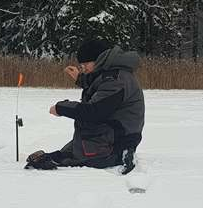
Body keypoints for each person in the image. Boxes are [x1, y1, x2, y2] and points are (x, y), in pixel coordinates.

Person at [25, 38, 145, 174]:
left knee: (68, 159)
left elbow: (93, 111)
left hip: (114, 144)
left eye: (84, 65)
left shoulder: (116, 80)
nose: (83, 69)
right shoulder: (113, 74)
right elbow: (101, 88)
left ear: (98, 59)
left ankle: (122, 156)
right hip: (107, 136)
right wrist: (80, 79)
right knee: (66, 153)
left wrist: (61, 108)